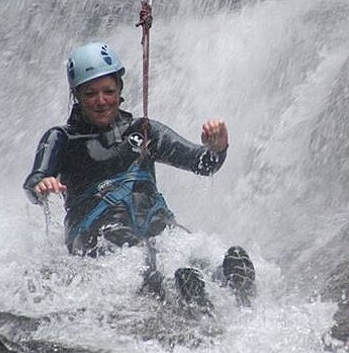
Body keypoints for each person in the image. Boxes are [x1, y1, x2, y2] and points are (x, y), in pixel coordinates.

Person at [23, 42, 255, 312]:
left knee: (185, 248)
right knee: (139, 260)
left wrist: (217, 148)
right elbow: (34, 182)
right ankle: (178, 293)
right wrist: (43, 185)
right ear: (76, 95)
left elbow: (202, 164)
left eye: (108, 91)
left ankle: (229, 285)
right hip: (96, 233)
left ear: (120, 89)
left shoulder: (144, 131)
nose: (101, 101)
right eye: (90, 94)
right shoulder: (62, 138)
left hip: (154, 223)